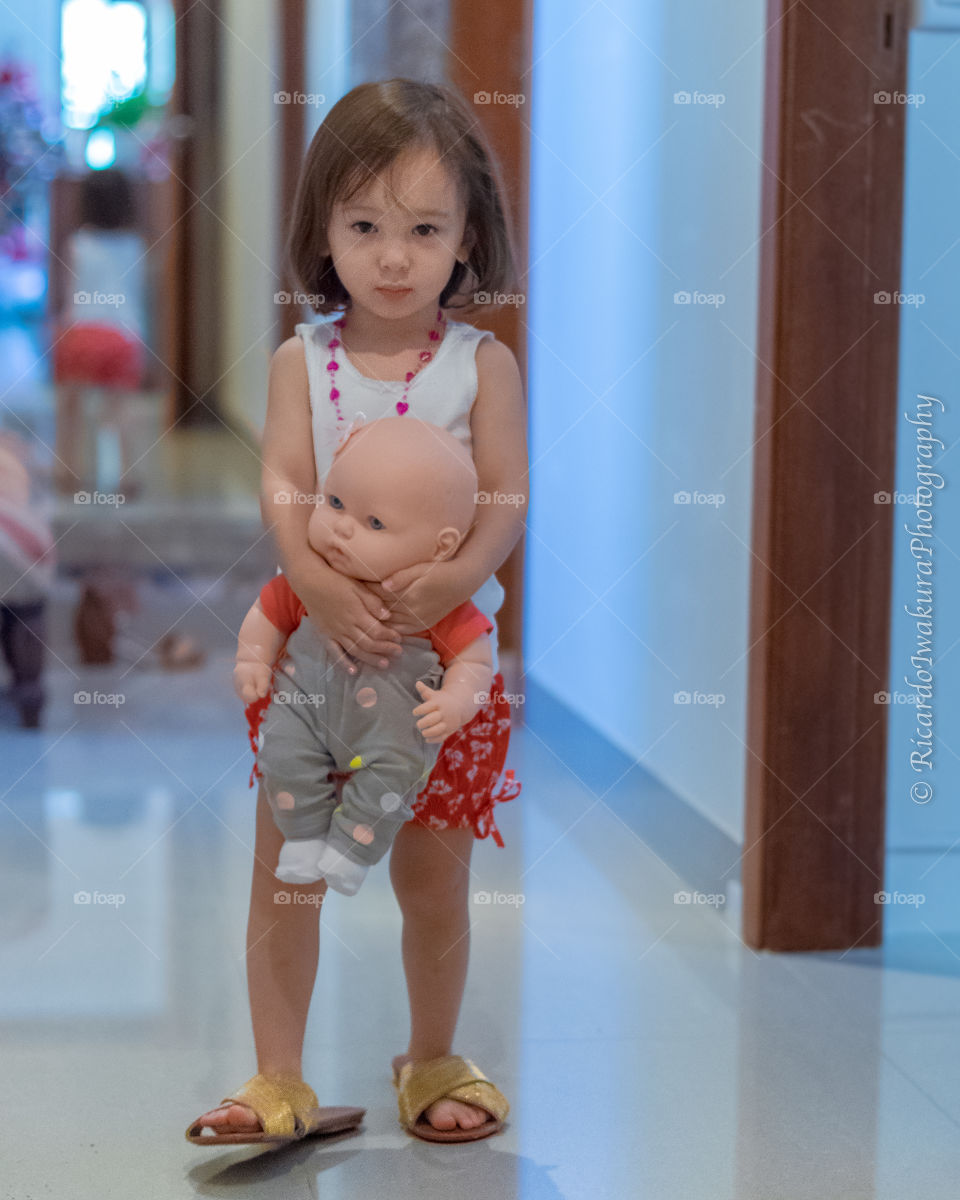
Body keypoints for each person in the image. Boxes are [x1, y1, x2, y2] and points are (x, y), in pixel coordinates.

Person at [185, 77, 527, 1146]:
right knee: (285, 875)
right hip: (314, 667)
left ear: (468, 237)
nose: (392, 257)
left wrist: (453, 582)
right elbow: (285, 483)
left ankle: (431, 1057)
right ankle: (276, 1078)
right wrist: (318, 583)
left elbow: (507, 497)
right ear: (322, 231)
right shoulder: (305, 360)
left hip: (439, 678)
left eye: (425, 229)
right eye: (364, 226)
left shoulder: (483, 367)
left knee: (433, 885)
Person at [235, 416, 494, 894]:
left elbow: (475, 659)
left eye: (374, 523)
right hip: (305, 710)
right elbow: (268, 611)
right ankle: (303, 837)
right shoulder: (318, 584)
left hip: (391, 735)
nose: (341, 528)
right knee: (283, 751)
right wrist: (251, 658)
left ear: (440, 547)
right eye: (334, 502)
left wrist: (458, 701)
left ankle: (353, 850)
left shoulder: (432, 602)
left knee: (399, 774)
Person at [52, 167, 148, 499]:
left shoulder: (77, 244)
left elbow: (69, 295)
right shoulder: (135, 246)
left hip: (81, 331)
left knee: (70, 405)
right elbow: (137, 296)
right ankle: (128, 472)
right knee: (121, 408)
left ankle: (66, 468)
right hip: (121, 335)